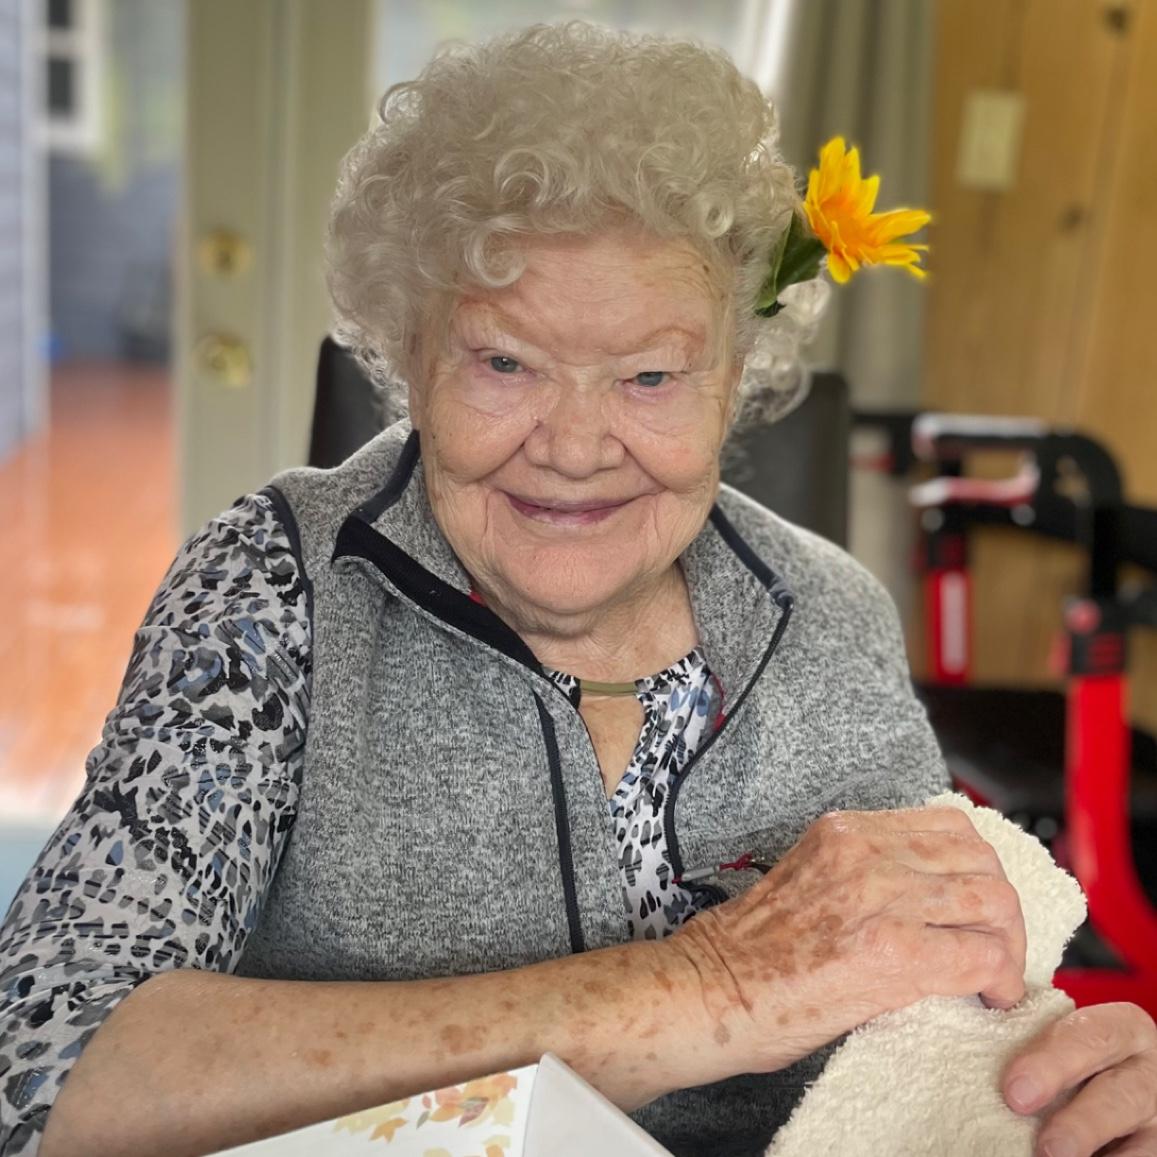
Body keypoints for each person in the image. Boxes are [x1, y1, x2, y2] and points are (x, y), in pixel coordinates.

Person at [2, 22, 1154, 1157]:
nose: (573, 446)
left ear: (732, 381)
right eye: (505, 362)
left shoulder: (830, 614)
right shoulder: (273, 584)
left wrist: (1058, 1100)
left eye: (649, 375)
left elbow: (939, 1038)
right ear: (409, 356)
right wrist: (713, 983)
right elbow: (43, 1068)